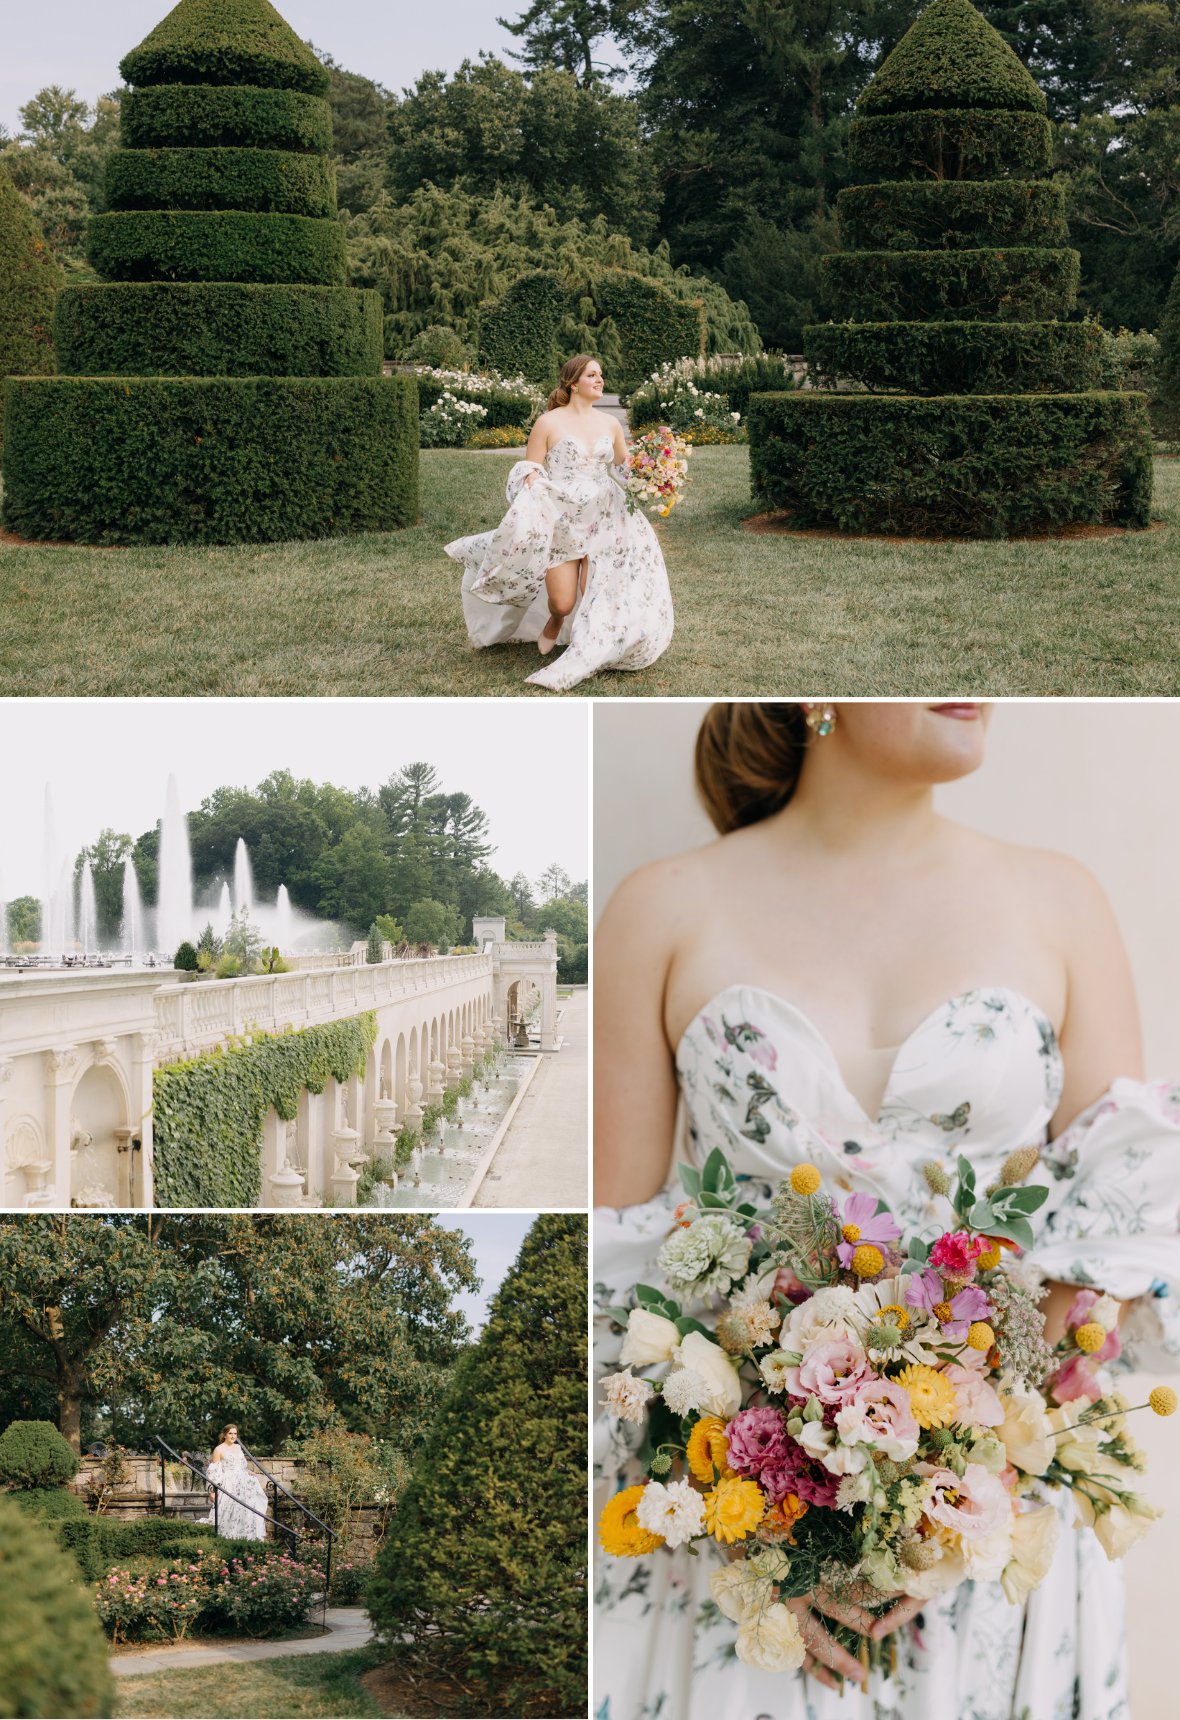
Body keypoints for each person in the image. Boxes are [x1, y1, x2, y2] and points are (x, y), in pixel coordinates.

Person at [593, 700, 1180, 1720]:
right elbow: (610, 1262)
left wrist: (956, 1499)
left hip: (996, 1536)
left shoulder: (1058, 900)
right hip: (737, 1546)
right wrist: (751, 1520)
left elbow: (1113, 1226)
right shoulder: (662, 908)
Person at [444, 354, 673, 691]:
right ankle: (557, 619)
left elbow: (624, 467)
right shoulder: (549, 423)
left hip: (606, 517)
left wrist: (655, 473)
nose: (599, 380)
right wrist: (533, 481)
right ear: (572, 382)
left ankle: (594, 649)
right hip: (561, 518)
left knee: (598, 595)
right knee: (563, 600)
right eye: (592, 375)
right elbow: (528, 466)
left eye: (601, 375)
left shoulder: (609, 423)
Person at [203, 1423, 268, 1541]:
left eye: (235, 1434)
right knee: (229, 1511)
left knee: (247, 1509)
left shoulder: (238, 1447)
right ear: (224, 1435)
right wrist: (212, 1491)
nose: (233, 1436)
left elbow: (240, 1466)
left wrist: (248, 1472)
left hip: (243, 1482)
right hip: (229, 1483)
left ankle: (246, 1538)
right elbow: (213, 1471)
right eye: (230, 1433)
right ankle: (228, 1538)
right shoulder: (219, 1449)